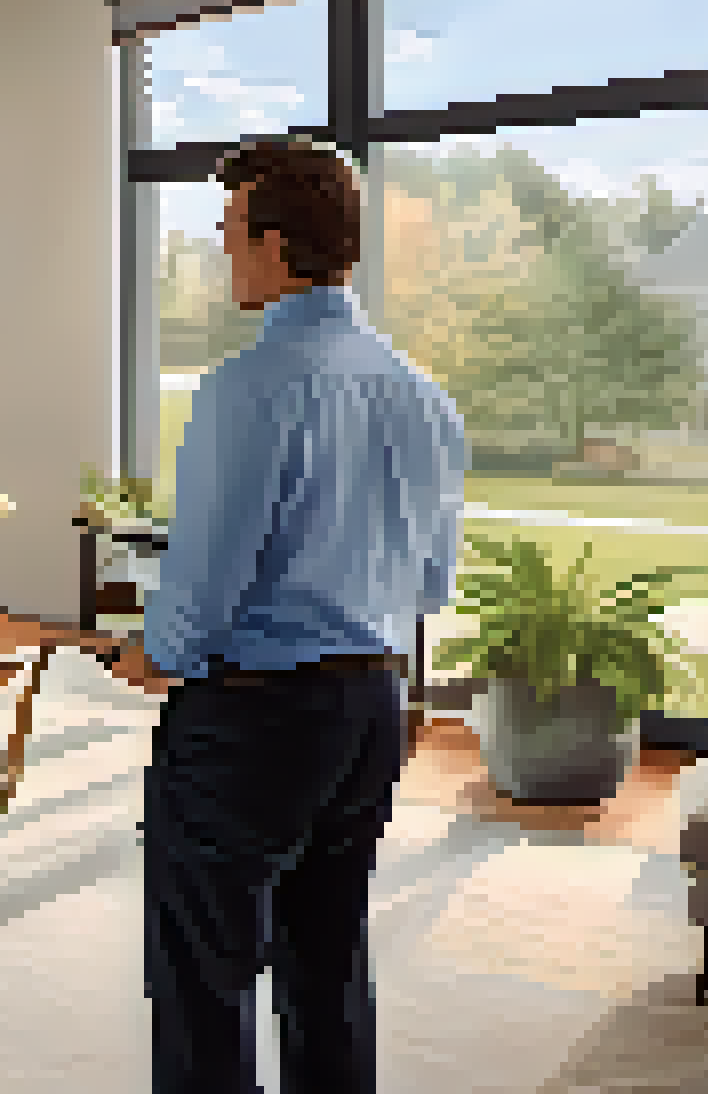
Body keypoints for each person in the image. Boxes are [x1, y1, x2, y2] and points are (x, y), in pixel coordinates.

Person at [139, 137, 468, 1093]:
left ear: (275, 246)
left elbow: (206, 581)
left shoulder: (248, 389)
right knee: (328, 967)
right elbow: (430, 582)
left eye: (229, 232)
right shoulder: (425, 398)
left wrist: (158, 650)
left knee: (204, 979)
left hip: (254, 722)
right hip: (369, 713)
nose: (222, 254)